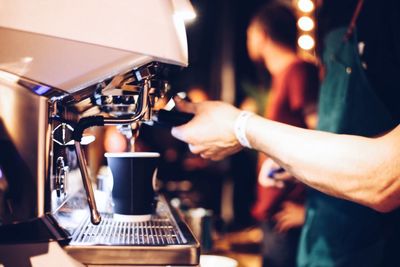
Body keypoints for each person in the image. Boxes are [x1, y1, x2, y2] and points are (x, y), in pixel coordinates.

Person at [171, 0, 400, 266]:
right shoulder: (333, 16)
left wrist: (242, 128)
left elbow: (385, 176)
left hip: (372, 240)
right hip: (323, 228)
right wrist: (289, 165)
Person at [245, 3, 319, 267]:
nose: (248, 41)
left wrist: (310, 213)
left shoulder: (299, 71)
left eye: (250, 34)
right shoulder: (284, 76)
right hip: (274, 209)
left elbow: (320, 139)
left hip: (287, 212)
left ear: (262, 35)